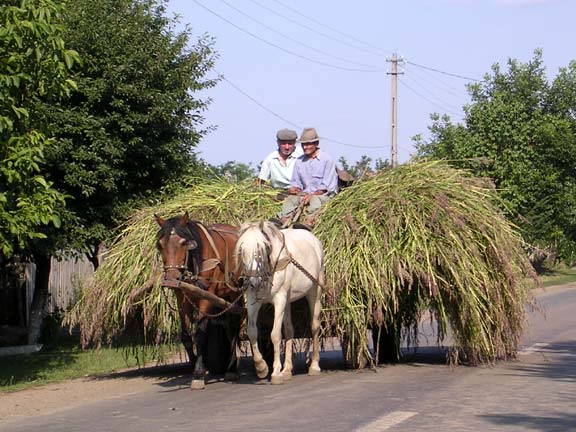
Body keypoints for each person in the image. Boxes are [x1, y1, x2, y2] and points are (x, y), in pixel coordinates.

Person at [278, 127, 338, 227]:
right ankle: (284, 218)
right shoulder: (299, 161)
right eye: (303, 144)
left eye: (308, 144)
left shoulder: (327, 160)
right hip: (304, 195)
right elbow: (295, 182)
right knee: (290, 199)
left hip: (324, 196)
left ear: (316, 144)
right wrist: (294, 189)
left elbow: (326, 187)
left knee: (315, 200)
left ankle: (310, 221)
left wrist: (311, 195)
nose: (305, 147)